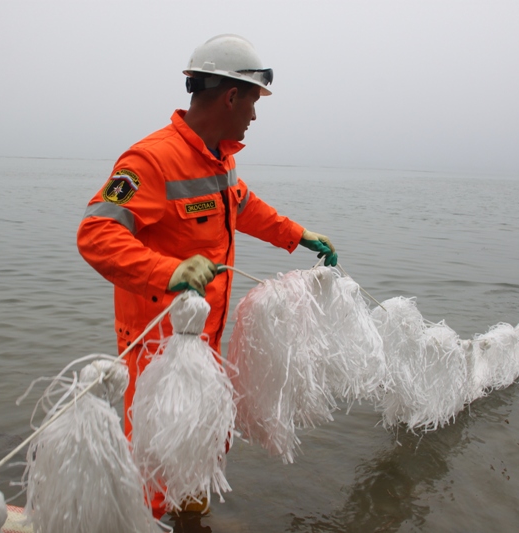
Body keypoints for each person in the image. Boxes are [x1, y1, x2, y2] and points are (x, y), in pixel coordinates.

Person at [76, 34, 337, 519]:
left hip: (204, 336)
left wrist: (297, 234)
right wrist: (170, 271)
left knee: (202, 440)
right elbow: (96, 234)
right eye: (254, 103)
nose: (255, 117)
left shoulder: (221, 156)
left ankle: (190, 518)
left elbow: (242, 205)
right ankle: (146, 522)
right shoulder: (149, 160)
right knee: (156, 451)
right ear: (231, 95)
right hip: (155, 344)